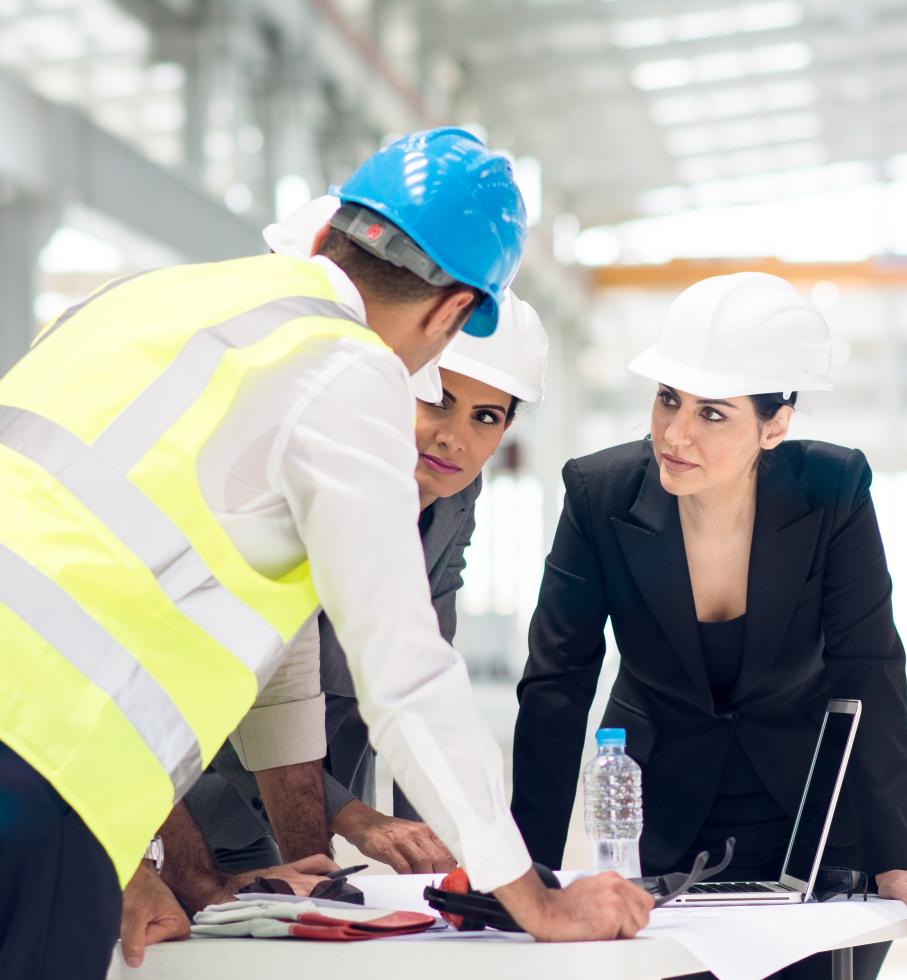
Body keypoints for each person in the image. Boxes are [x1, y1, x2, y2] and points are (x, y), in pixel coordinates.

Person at [0, 127, 651, 980]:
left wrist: (144, 862)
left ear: (326, 237)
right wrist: (535, 898)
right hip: (42, 766)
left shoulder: (144, 300)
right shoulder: (346, 369)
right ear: (454, 311)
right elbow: (406, 674)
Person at [511, 273, 907, 979]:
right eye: (666, 399)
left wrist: (896, 855)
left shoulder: (831, 491)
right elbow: (555, 685)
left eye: (712, 413)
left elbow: (867, 669)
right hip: (661, 810)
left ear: (775, 424)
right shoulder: (599, 495)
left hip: (818, 811)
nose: (675, 433)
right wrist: (526, 874)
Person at [187, 223, 549, 877]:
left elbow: (424, 667)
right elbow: (245, 686)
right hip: (208, 779)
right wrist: (354, 815)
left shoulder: (452, 502)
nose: (452, 439)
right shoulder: (302, 461)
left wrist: (446, 850)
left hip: (335, 763)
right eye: (436, 400)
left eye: (486, 417)